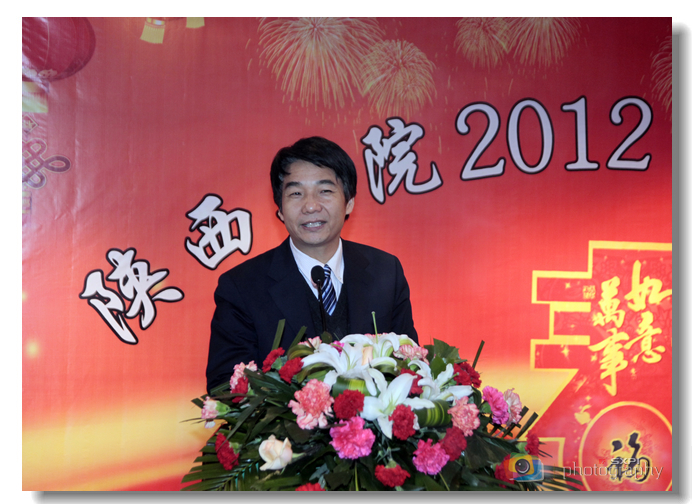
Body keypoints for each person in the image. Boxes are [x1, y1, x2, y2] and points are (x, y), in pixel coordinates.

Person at [206, 136, 418, 393]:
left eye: (325, 191)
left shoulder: (386, 271)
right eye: (296, 193)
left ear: (349, 202)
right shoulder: (242, 287)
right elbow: (226, 387)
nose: (310, 206)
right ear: (280, 209)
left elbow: (410, 367)